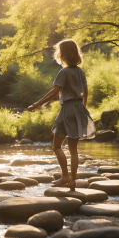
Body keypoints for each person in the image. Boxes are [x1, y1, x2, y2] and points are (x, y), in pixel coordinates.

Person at [28, 39, 96, 191]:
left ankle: (65, 176)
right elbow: (85, 91)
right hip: (79, 109)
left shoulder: (64, 72)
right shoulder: (80, 72)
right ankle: (73, 181)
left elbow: (54, 92)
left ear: (63, 54)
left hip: (67, 110)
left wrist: (36, 105)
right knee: (73, 150)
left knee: (57, 146)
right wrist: (83, 108)